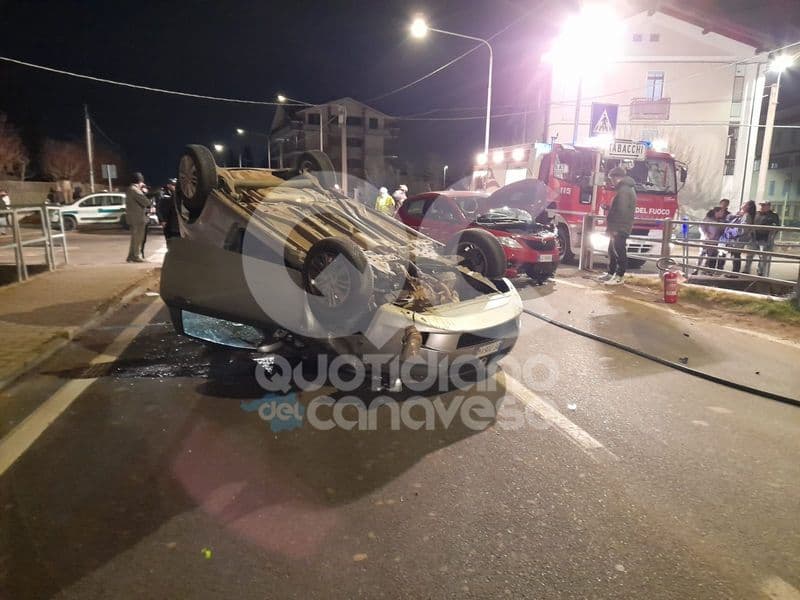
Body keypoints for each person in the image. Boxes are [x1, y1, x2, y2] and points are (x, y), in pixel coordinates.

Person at [598, 167, 637, 286]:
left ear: (617, 177)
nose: (611, 181)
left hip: (620, 227)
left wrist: (615, 228)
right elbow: (621, 208)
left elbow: (622, 210)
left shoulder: (624, 190)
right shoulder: (625, 189)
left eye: (612, 178)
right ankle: (611, 273)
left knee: (619, 250)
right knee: (612, 249)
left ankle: (619, 275)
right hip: (618, 226)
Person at [719, 200, 756, 275]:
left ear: (748, 206)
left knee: (736, 254)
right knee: (733, 254)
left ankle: (734, 273)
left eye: (744, 203)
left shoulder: (747, 216)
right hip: (735, 238)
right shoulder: (741, 215)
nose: (742, 204)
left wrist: (731, 231)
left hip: (738, 239)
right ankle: (733, 273)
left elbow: (742, 229)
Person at [746, 201, 781, 277]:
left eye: (764, 205)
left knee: (762, 257)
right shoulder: (755, 213)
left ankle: (760, 272)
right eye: (761, 205)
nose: (762, 206)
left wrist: (771, 236)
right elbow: (750, 223)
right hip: (754, 237)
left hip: (765, 239)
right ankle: (746, 270)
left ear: (769, 206)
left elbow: (777, 227)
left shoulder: (773, 215)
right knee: (749, 254)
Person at [125, 172, 151, 263]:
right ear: (140, 181)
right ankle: (136, 256)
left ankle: (131, 256)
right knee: (138, 238)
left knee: (135, 238)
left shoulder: (131, 189)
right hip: (137, 218)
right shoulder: (135, 190)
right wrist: (144, 192)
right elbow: (146, 202)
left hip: (134, 218)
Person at [693, 206, 726, 275]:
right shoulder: (708, 219)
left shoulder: (721, 221)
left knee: (711, 256)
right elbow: (702, 227)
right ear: (716, 212)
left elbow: (722, 230)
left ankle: (707, 270)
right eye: (721, 212)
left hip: (715, 241)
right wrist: (706, 234)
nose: (723, 213)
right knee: (702, 254)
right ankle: (696, 269)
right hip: (706, 240)